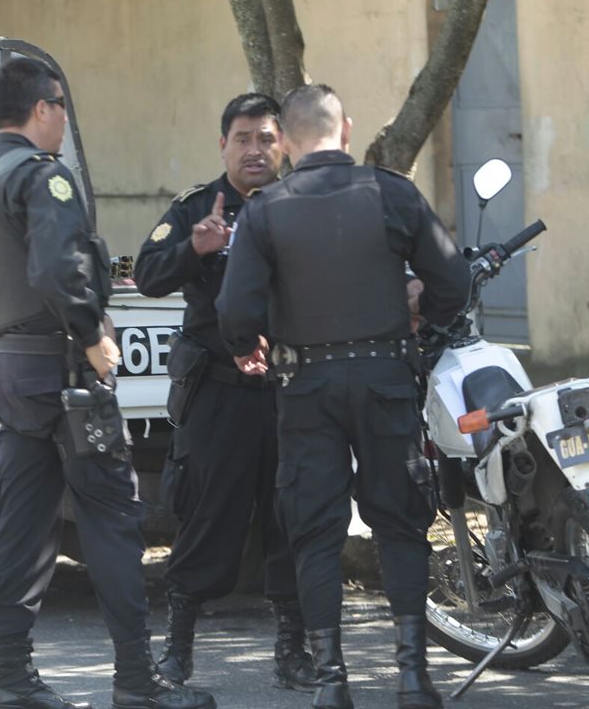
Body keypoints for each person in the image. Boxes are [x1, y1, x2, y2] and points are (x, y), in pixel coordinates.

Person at [0, 57, 215, 709]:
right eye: (61, 109)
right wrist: (91, 335)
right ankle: (137, 680)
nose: (63, 123)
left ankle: (11, 676)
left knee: (22, 524)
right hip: (65, 373)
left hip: (15, 371)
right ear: (43, 108)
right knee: (111, 520)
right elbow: (56, 272)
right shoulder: (44, 179)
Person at [216, 84, 470, 709]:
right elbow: (452, 280)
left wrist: (247, 344)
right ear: (346, 131)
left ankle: (332, 683)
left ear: (288, 143)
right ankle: (414, 678)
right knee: (401, 523)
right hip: (386, 379)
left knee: (315, 530)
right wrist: (424, 316)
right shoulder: (392, 192)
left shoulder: (266, 209)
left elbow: (235, 308)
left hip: (306, 387)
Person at [134, 93, 313, 690]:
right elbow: (150, 274)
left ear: (282, 143)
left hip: (288, 389)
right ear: (223, 145)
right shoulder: (194, 207)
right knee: (209, 517)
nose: (254, 149)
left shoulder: (301, 203)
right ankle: (177, 652)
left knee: (293, 516)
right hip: (218, 392)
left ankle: (293, 653)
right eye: (242, 138)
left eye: (265, 138)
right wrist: (197, 247)